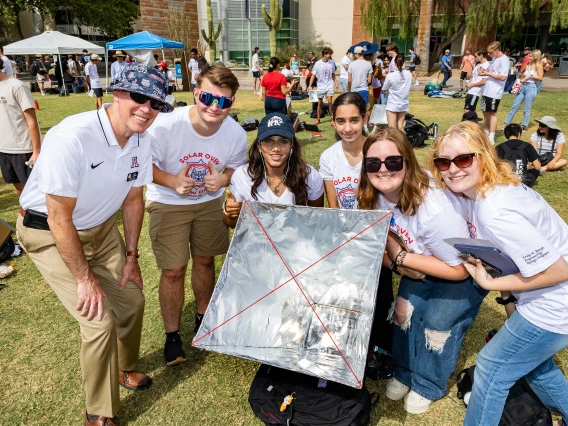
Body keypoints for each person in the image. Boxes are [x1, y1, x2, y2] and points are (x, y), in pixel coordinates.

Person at [16, 63, 172, 426]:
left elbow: (134, 200)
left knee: (131, 298)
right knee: (98, 320)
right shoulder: (72, 136)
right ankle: (98, 412)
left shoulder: (142, 141)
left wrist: (131, 256)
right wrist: (86, 278)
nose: (147, 109)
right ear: (117, 93)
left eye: (157, 104)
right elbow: (59, 218)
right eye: (139, 97)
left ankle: (124, 368)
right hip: (49, 234)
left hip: (101, 231)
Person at [427, 120, 568, 425]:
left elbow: (558, 270)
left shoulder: (494, 209)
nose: (453, 169)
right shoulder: (500, 185)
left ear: (484, 156)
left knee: (492, 369)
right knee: (534, 365)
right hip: (550, 299)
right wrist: (509, 297)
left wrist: (491, 282)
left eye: (464, 159)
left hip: (555, 305)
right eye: (443, 162)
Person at [358, 125, 486, 415]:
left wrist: (403, 260)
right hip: (423, 259)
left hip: (465, 266)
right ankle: (404, 371)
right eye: (373, 163)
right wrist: (399, 260)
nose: (383, 170)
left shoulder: (434, 210)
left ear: (407, 161)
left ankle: (429, 383)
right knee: (404, 310)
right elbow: (380, 240)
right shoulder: (373, 194)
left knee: (437, 323)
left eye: (393, 161)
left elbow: (459, 270)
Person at [144, 65, 247, 367]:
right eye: (207, 97)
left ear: (232, 103)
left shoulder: (236, 133)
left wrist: (223, 180)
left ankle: (204, 319)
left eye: (224, 101)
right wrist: (172, 181)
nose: (214, 107)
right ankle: (172, 336)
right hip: (168, 202)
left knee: (205, 260)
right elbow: (141, 165)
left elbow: (236, 169)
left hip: (208, 203)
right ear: (195, 92)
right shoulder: (164, 126)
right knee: (173, 270)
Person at [223, 113, 324, 228]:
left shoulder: (310, 176)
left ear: (292, 145)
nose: (276, 148)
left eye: (283, 141)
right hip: (257, 243)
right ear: (259, 145)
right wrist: (230, 213)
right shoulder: (242, 175)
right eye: (269, 141)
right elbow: (231, 224)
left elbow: (317, 220)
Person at [0, 57, 41, 197]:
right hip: (4, 148)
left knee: (34, 192)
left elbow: (32, 121)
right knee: (20, 190)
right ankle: (25, 216)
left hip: (23, 149)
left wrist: (36, 151)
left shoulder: (16, 86)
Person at [320, 92, 367, 210]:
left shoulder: (379, 152)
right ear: (333, 122)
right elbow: (334, 207)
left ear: (365, 118)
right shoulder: (328, 157)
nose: (347, 129)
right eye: (341, 121)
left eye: (354, 120)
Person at [502, 49, 543, 131]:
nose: (529, 57)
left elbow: (540, 77)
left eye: (531, 56)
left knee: (527, 108)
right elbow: (522, 75)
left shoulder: (538, 65)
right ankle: (506, 123)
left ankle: (524, 125)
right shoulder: (527, 65)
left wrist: (531, 76)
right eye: (529, 56)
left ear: (535, 57)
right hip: (523, 86)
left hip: (531, 87)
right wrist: (518, 84)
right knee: (514, 106)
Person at [479, 41, 509, 144]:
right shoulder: (495, 59)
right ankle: (486, 131)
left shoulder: (504, 60)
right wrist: (483, 71)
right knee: (485, 112)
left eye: (490, 52)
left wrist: (488, 74)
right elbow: (490, 71)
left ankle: (491, 136)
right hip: (487, 90)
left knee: (492, 113)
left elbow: (503, 76)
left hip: (495, 91)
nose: (489, 55)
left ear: (496, 50)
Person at [382, 53, 412, 131]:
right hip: (403, 102)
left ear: (394, 62)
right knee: (401, 127)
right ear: (404, 61)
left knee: (392, 129)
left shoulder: (390, 76)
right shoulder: (409, 74)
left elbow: (384, 88)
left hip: (393, 103)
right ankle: (403, 143)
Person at [309, 47, 336, 125]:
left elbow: (333, 74)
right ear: (325, 54)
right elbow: (313, 75)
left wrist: (336, 82)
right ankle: (318, 119)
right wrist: (309, 85)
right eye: (329, 54)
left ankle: (332, 119)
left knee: (330, 102)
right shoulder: (318, 63)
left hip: (329, 85)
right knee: (320, 103)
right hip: (321, 86)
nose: (330, 55)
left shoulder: (332, 62)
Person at [464, 48, 489, 114]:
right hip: (471, 90)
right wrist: (471, 66)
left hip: (476, 91)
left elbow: (483, 82)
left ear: (481, 55)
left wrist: (472, 85)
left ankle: (470, 123)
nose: (475, 58)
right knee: (470, 110)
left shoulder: (486, 66)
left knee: (468, 111)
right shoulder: (478, 65)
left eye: (476, 56)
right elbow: (469, 76)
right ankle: (473, 123)